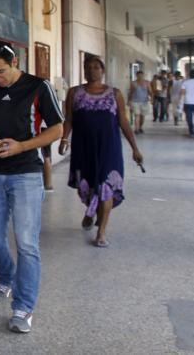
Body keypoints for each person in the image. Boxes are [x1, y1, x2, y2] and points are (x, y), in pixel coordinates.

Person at [0, 41, 63, 334]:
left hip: (26, 174)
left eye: (1, 71)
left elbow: (57, 128)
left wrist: (22, 145)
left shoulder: (38, 87)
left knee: (26, 243)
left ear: (15, 62)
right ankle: (5, 278)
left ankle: (23, 308)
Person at [58, 57, 143, 248]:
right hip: (83, 148)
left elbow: (123, 122)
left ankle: (101, 232)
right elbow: (69, 119)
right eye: (88, 67)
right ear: (83, 71)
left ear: (102, 70)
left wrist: (135, 149)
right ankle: (90, 210)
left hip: (109, 148)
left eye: (96, 67)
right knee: (87, 186)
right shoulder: (75, 93)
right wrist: (64, 139)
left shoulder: (115, 94)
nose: (92, 70)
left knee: (105, 186)